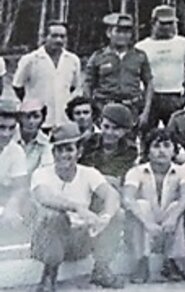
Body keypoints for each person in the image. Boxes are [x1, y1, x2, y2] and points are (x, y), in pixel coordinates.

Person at [30, 123, 124, 290]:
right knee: (54, 216)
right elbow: (44, 197)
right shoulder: (42, 174)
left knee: (117, 214)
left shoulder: (88, 173)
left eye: (69, 150)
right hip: (47, 242)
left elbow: (112, 195)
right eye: (59, 150)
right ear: (53, 153)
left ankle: (101, 269)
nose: (64, 155)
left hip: (79, 239)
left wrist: (105, 217)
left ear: (79, 152)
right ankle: (48, 277)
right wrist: (77, 208)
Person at [123, 129, 185, 283]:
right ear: (148, 150)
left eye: (167, 146)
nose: (161, 151)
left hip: (168, 219)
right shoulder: (136, 172)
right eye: (156, 146)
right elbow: (128, 198)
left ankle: (171, 261)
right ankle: (142, 261)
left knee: (176, 206)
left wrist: (173, 218)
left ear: (174, 150)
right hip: (145, 220)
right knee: (141, 204)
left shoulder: (182, 172)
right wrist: (148, 223)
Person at [85, 13, 153, 134]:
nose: (123, 36)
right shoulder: (98, 57)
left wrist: (145, 112)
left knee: (130, 145)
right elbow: (88, 85)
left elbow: (149, 83)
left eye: (127, 32)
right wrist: (92, 111)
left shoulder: (139, 56)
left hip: (131, 108)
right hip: (104, 107)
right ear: (109, 33)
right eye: (118, 31)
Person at [135, 5, 185, 134]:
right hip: (151, 98)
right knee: (148, 135)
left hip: (176, 96)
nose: (167, 27)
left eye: (171, 23)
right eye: (163, 23)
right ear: (153, 23)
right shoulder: (141, 46)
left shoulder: (183, 43)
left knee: (177, 135)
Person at [13, 21, 82, 128]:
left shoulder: (73, 60)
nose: (59, 40)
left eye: (62, 36)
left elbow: (72, 87)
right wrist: (33, 103)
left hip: (63, 120)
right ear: (45, 37)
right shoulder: (30, 60)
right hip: (38, 121)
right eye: (54, 36)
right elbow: (18, 86)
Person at [79, 103, 138, 187]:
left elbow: (115, 178)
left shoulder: (129, 150)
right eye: (106, 126)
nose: (109, 132)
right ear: (100, 125)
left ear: (125, 130)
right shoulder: (88, 143)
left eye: (116, 129)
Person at [0, 98, 27, 226]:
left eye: (11, 128)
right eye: (1, 127)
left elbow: (19, 188)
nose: (6, 134)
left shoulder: (16, 151)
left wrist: (12, 206)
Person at [16, 99, 53, 175]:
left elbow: (46, 169)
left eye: (36, 117)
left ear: (43, 119)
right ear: (20, 118)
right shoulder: (8, 137)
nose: (31, 121)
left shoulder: (45, 142)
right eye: (27, 117)